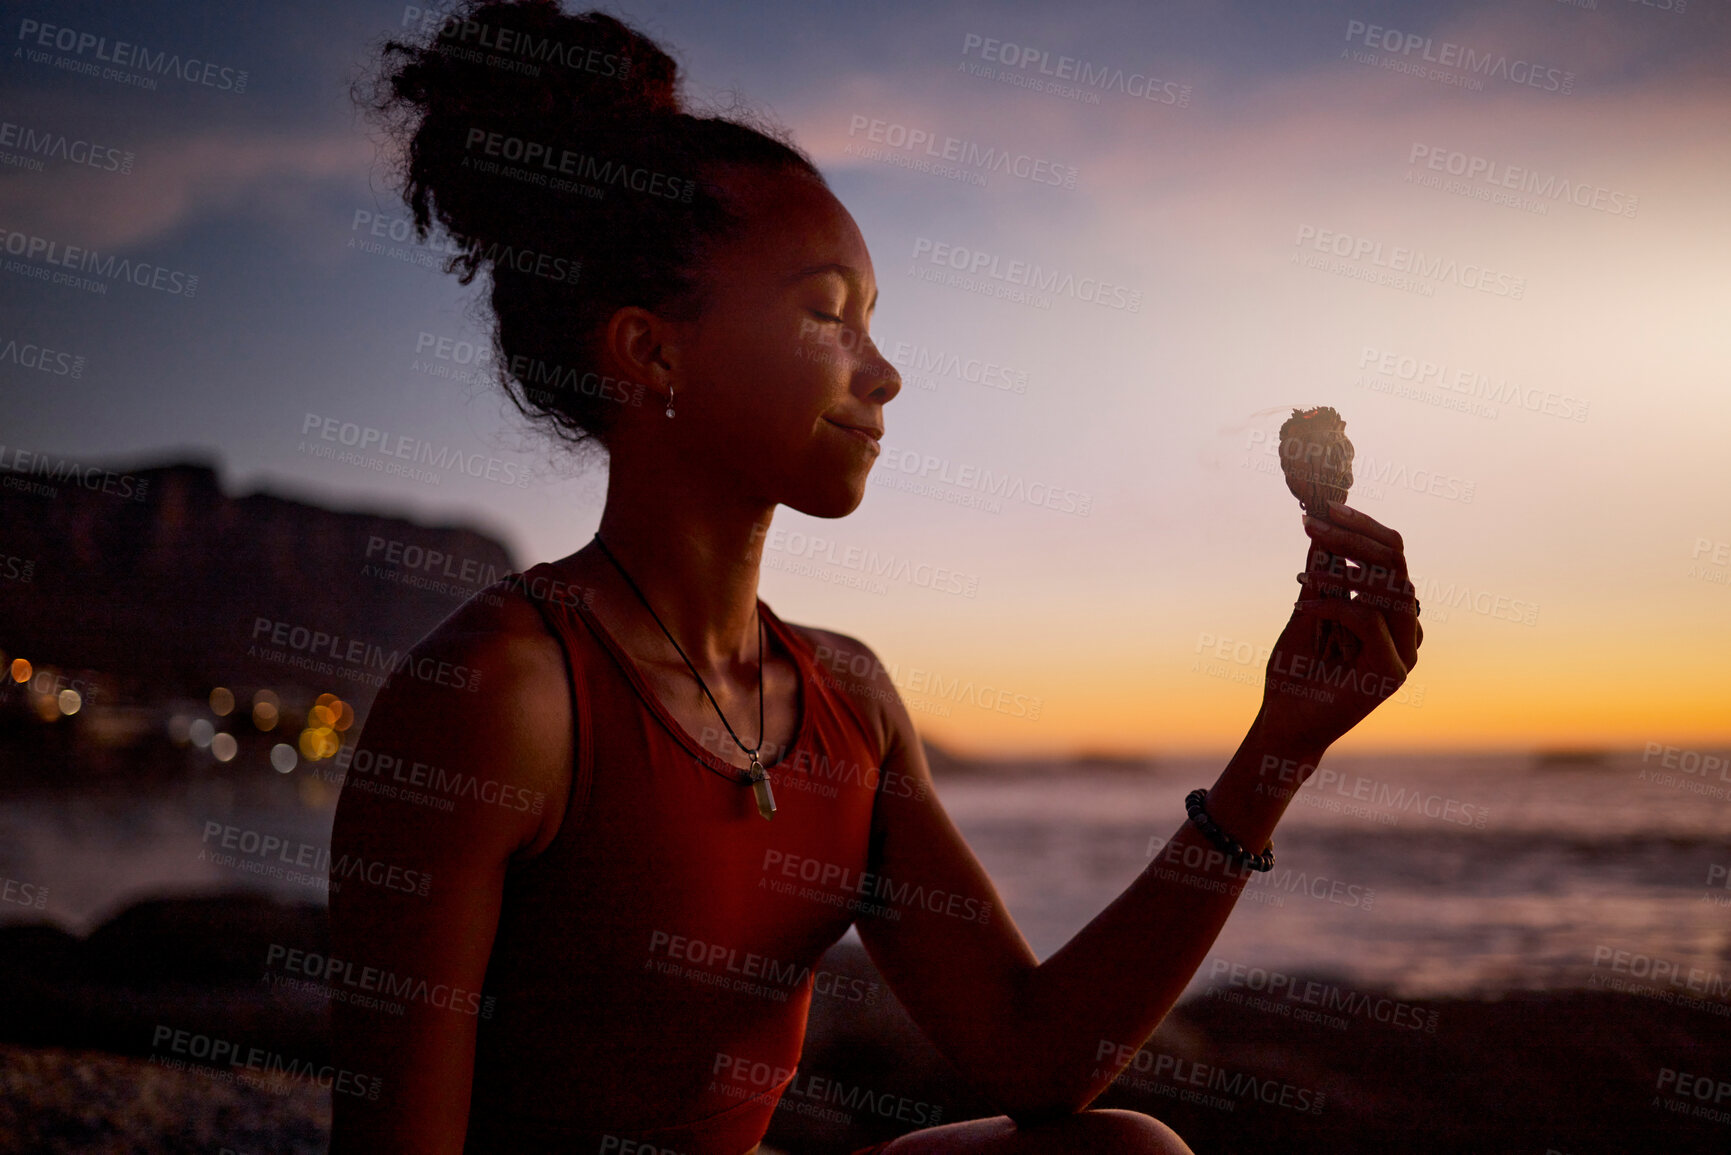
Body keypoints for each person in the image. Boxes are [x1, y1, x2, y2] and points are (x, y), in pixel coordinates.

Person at [328, 3, 1423, 1152]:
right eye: (828, 316)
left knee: (1126, 1149)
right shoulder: (502, 695)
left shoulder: (846, 697)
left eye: (874, 323)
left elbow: (1033, 1055)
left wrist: (1280, 748)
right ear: (651, 351)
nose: (885, 374)